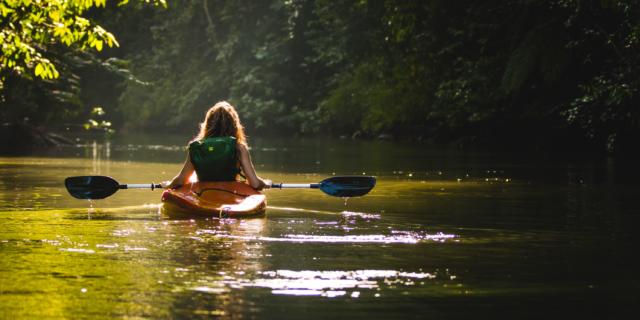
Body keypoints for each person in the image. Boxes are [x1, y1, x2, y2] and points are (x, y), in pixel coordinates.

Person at [164, 101, 271, 190]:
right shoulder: (239, 148)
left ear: (208, 124)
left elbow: (181, 180)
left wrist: (168, 185)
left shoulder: (197, 147)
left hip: (203, 195)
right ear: (234, 125)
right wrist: (265, 183)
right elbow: (255, 184)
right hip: (230, 195)